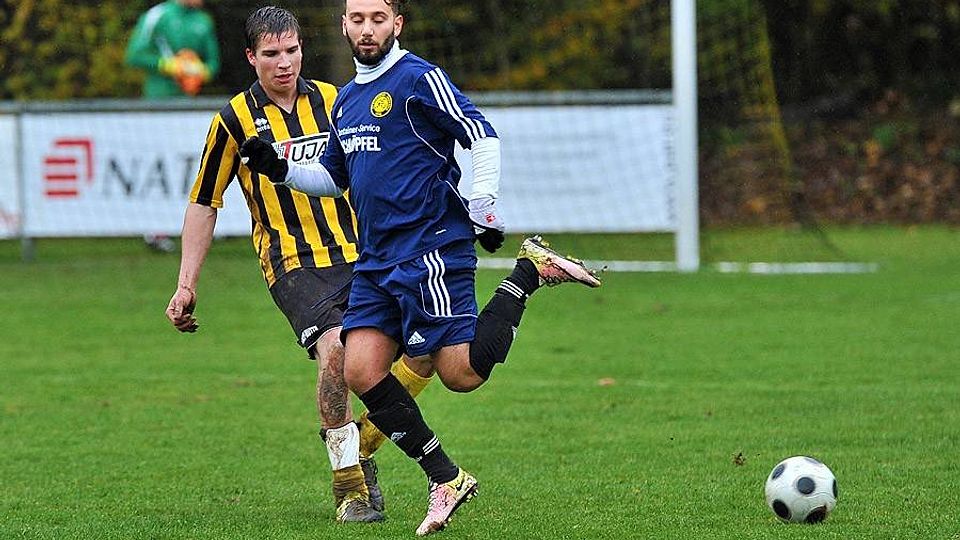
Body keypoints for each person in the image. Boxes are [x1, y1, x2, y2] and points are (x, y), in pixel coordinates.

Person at [238, 0, 603, 535]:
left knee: (461, 374)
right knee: (360, 369)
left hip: (430, 248)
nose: (367, 29)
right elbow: (334, 177)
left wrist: (483, 206)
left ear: (397, 23)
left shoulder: (419, 78)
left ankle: (528, 272)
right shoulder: (348, 99)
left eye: (378, 19)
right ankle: (445, 478)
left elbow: (481, 134)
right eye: (357, 19)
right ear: (343, 25)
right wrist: (280, 168)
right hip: (375, 259)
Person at [164, 6, 434, 524]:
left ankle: (361, 444)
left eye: (291, 50)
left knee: (424, 351)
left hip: (361, 254)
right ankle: (349, 488)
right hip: (292, 263)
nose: (284, 62)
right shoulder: (233, 121)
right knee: (336, 351)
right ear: (251, 57)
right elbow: (204, 202)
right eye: (271, 54)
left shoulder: (337, 100)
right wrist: (185, 284)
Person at [125, 0, 221, 253]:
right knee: (158, 168)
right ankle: (156, 229)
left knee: (192, 166)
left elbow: (213, 63)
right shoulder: (158, 15)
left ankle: (199, 226)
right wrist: (167, 65)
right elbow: (134, 55)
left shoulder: (204, 20)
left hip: (189, 107)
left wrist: (200, 72)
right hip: (158, 106)